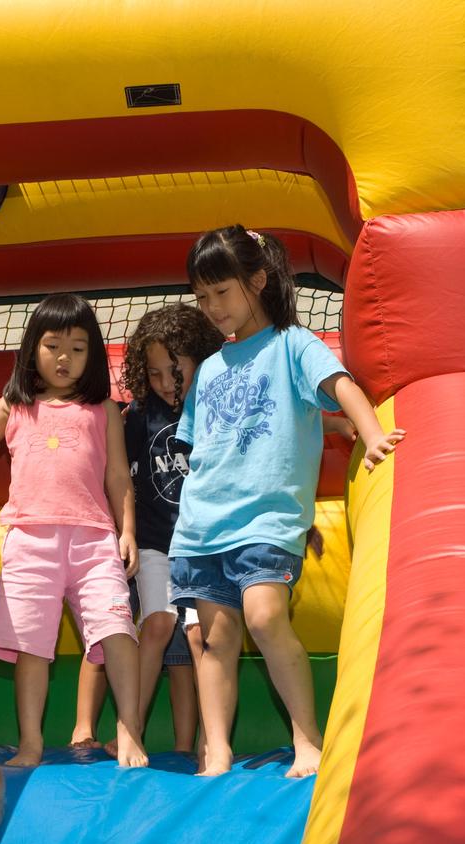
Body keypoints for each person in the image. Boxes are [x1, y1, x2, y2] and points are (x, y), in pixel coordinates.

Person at [170, 225, 404, 778]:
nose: (213, 308)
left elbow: (341, 384)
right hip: (204, 525)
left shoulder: (292, 344)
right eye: (203, 298)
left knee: (266, 615)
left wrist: (370, 433)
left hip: (267, 520)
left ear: (258, 280)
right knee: (215, 639)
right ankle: (218, 750)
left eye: (222, 293)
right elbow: (204, 447)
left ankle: (308, 740)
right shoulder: (208, 371)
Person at [0, 293, 147, 769]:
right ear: (33, 348)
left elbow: (118, 476)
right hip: (30, 540)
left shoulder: (103, 410)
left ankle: (129, 731)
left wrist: (127, 529)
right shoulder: (17, 403)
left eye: (78, 349)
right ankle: (30, 743)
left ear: (92, 355)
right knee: (32, 644)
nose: (64, 359)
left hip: (94, 538)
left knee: (117, 629)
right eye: (54, 346)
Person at [69, 303, 224, 757]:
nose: (165, 384)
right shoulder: (139, 416)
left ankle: (210, 742)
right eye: (154, 374)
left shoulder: (217, 403)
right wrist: (127, 531)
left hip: (206, 543)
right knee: (156, 623)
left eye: (175, 371)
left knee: (200, 637)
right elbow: (122, 478)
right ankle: (129, 727)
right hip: (157, 543)